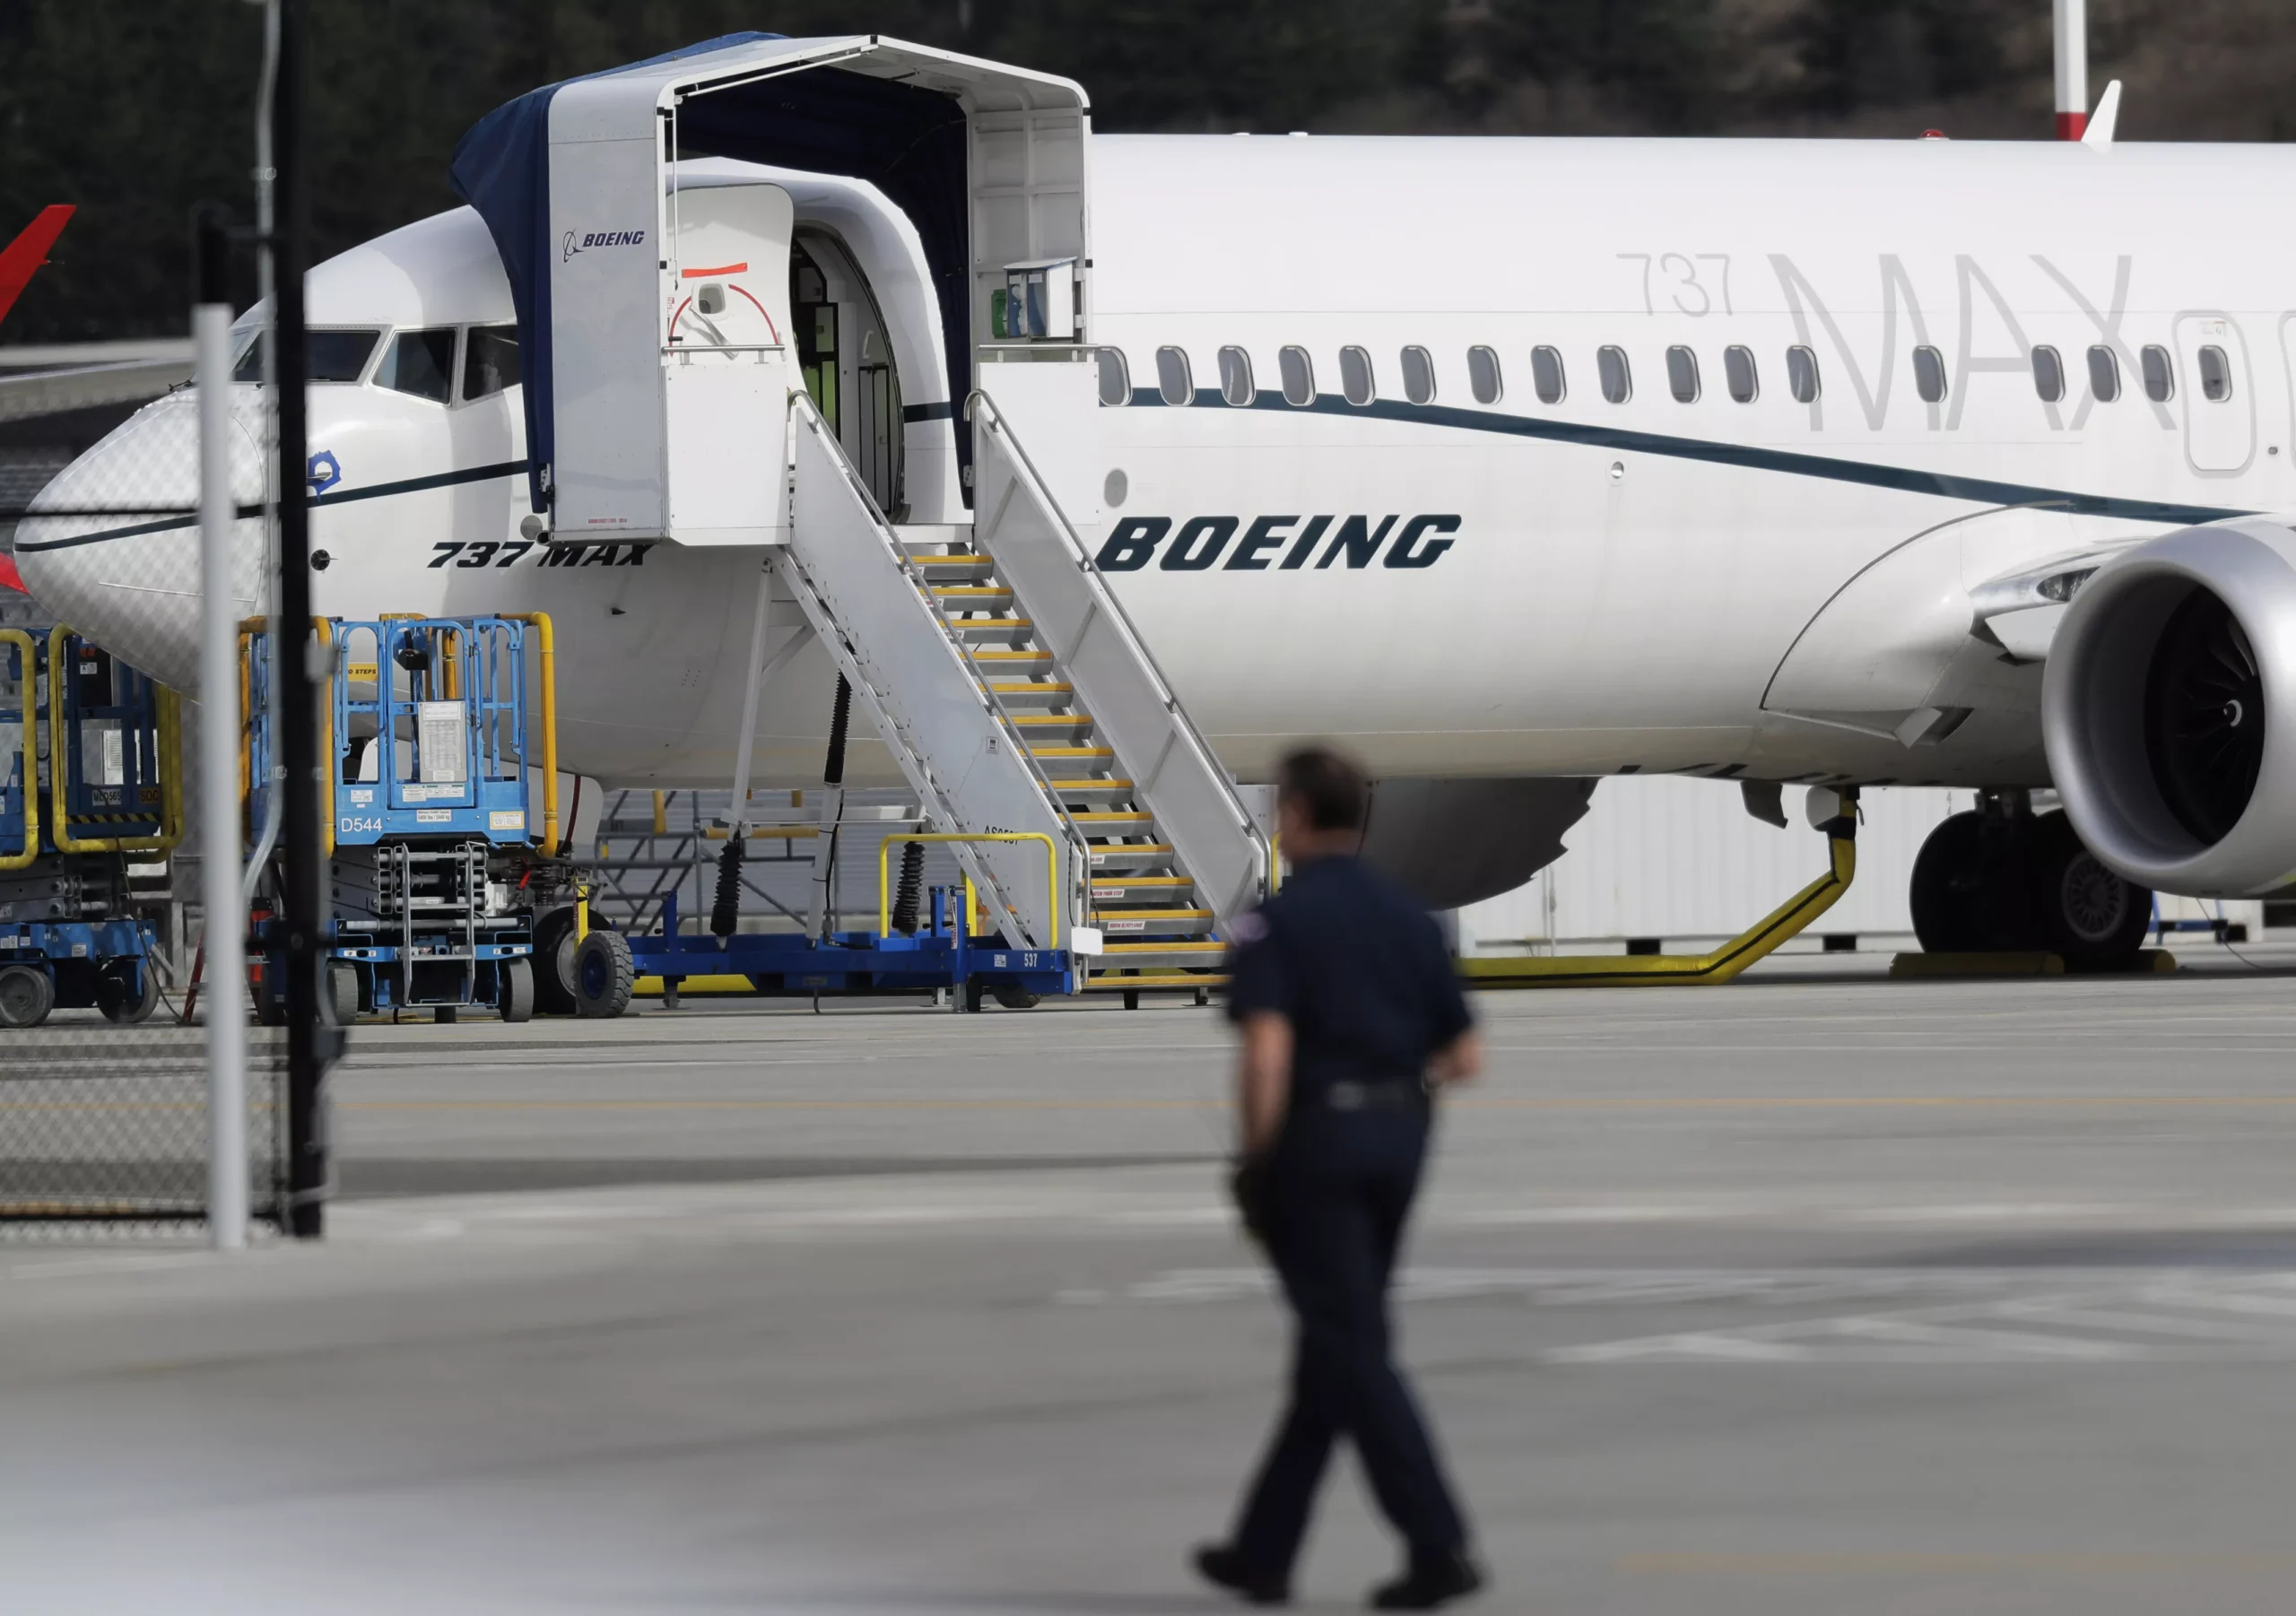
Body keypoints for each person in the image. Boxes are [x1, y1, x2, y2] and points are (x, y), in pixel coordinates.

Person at [1193, 746, 1486, 1611]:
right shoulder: (1411, 918)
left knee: (1351, 1348)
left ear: (1290, 815)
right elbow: (1464, 1057)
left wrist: (1257, 1157)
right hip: (1403, 1136)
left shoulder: (1279, 923)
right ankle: (1263, 1553)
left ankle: (1438, 1546)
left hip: (1319, 1143)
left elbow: (1267, 1050)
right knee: (1338, 1340)